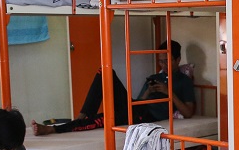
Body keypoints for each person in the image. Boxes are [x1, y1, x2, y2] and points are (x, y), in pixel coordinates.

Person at [32, 40, 195, 135]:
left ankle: (53, 130)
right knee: (105, 71)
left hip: (146, 116)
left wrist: (168, 93)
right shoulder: (155, 77)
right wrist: (148, 92)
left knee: (102, 119)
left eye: (168, 61)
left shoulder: (183, 81)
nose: (164, 65)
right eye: (161, 61)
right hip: (136, 107)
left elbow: (188, 113)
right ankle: (82, 116)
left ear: (178, 59)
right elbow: (137, 102)